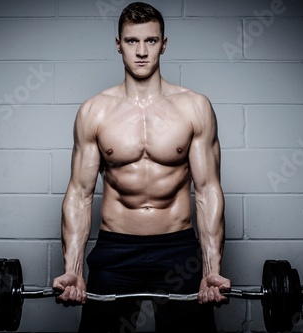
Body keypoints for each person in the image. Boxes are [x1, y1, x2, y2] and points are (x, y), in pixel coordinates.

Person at [52, 2, 231, 332]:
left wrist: (210, 268)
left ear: (164, 44)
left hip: (178, 249)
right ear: (118, 44)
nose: (142, 52)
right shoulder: (95, 111)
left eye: (150, 41)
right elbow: (79, 193)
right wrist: (74, 267)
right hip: (115, 250)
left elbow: (208, 191)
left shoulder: (194, 107)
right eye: (132, 41)